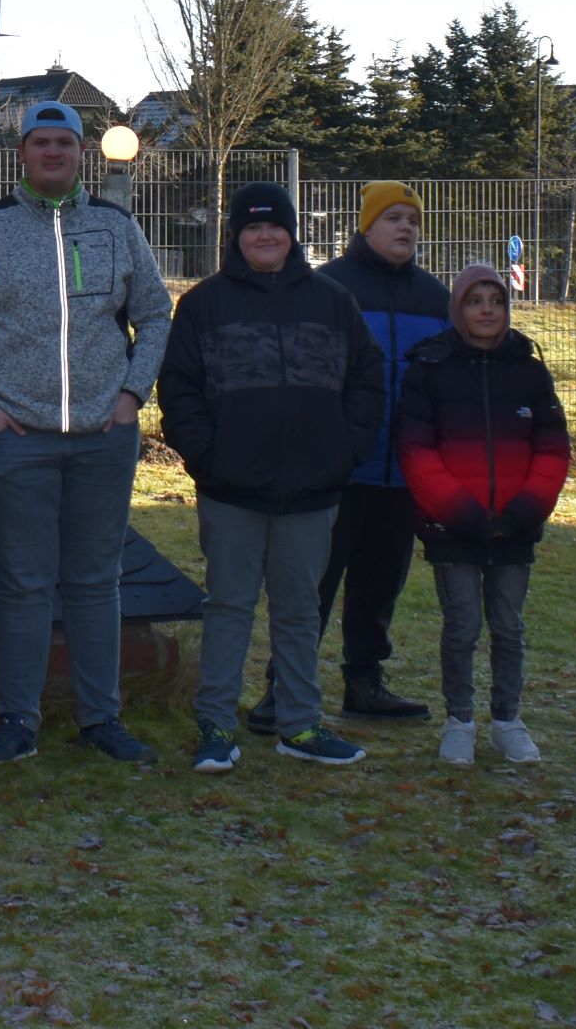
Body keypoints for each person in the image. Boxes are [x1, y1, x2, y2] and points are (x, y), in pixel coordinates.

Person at [0, 100, 174, 767]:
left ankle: (102, 719)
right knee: (24, 584)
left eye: (63, 143)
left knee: (97, 581)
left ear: (81, 153)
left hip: (104, 435)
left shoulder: (117, 226)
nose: (52, 153)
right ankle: (18, 721)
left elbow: (155, 315)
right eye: (40, 143)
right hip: (15, 438)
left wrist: (132, 394)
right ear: (22, 154)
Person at [157, 182, 385, 775]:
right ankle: (215, 725)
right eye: (253, 227)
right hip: (231, 491)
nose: (265, 236)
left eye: (275, 226)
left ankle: (300, 723)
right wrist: (208, 457)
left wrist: (344, 452)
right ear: (236, 236)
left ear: (291, 234)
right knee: (228, 606)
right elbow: (178, 389)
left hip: (312, 491)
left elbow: (367, 379)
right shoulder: (203, 305)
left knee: (299, 610)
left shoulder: (333, 302)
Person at [256, 181, 451, 731]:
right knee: (311, 586)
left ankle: (365, 682)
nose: (406, 227)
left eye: (413, 219)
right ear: (366, 226)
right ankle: (283, 687)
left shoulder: (436, 298)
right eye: (393, 217)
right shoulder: (327, 288)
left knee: (380, 584)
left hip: (403, 473)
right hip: (335, 470)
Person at [396, 260, 569, 766]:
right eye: (475, 301)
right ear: (458, 308)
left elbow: (552, 448)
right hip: (453, 525)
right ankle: (460, 721)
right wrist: (460, 512)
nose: (486, 311)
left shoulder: (530, 372)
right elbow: (417, 451)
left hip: (515, 524)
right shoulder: (430, 370)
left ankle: (507, 721)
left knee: (509, 626)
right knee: (463, 626)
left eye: (495, 301)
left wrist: (525, 510)